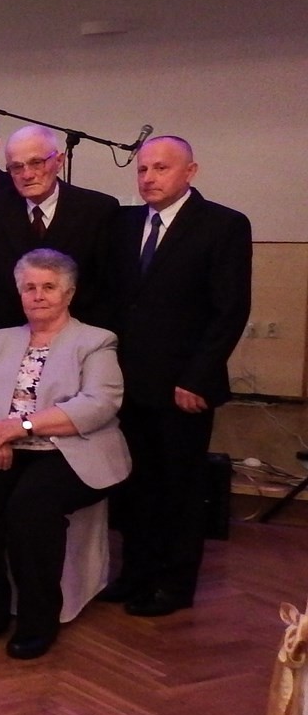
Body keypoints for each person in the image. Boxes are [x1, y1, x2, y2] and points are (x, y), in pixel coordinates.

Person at [0, 248, 132, 659]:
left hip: (69, 449)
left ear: (69, 293)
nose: (38, 295)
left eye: (49, 286)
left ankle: (37, 619)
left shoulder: (96, 341)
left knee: (31, 505)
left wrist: (21, 427)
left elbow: (99, 404)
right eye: (29, 287)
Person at [105, 136, 251, 617]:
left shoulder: (223, 225)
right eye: (143, 169)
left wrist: (198, 379)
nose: (148, 177)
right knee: (135, 485)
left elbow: (229, 311)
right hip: (128, 382)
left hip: (182, 386)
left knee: (180, 488)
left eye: (161, 168)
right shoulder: (126, 224)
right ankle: (136, 573)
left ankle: (175, 584)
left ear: (191, 171)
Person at [0, 124, 119, 348]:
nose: (27, 174)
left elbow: (111, 290)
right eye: (17, 167)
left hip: (78, 341)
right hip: (9, 340)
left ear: (59, 161)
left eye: (37, 163)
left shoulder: (97, 210)